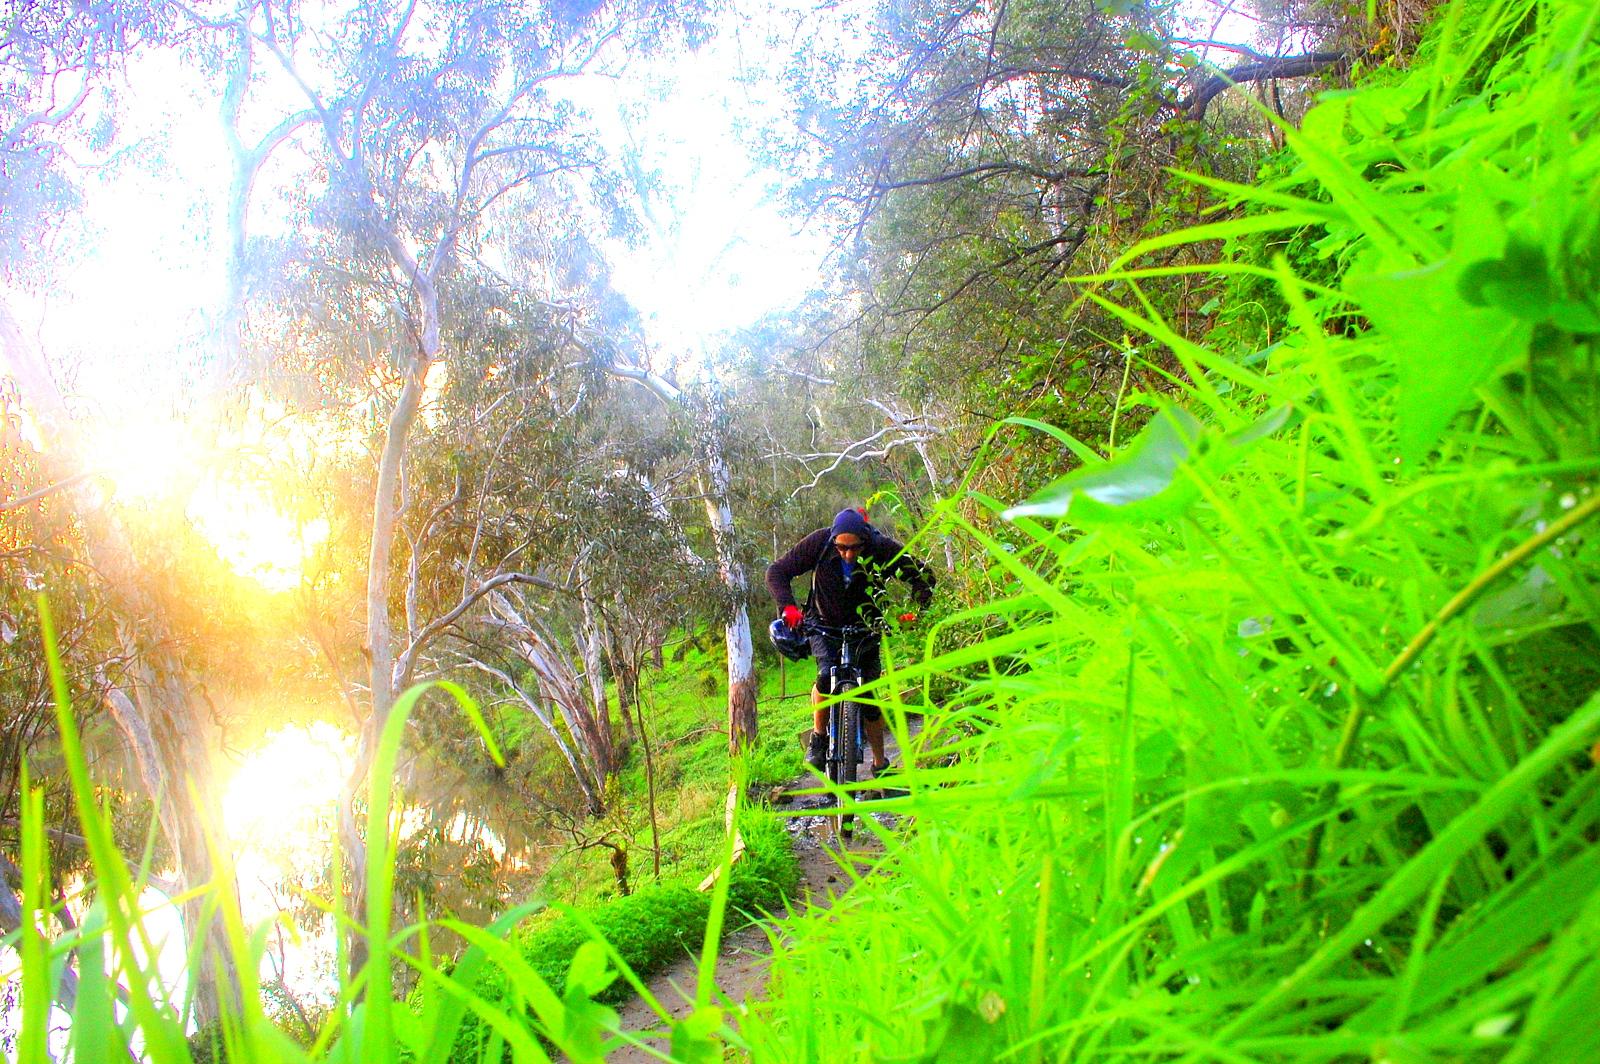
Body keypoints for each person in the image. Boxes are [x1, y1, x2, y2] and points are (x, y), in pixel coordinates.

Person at [766, 508, 934, 774]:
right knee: (824, 676)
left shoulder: (880, 548)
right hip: (823, 625)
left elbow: (923, 576)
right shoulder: (820, 543)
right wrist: (788, 607)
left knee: (868, 695)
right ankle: (819, 738)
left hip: (866, 628)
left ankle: (880, 763)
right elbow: (777, 571)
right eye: (842, 548)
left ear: (864, 541)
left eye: (854, 548)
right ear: (834, 540)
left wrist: (914, 612)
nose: (848, 554)